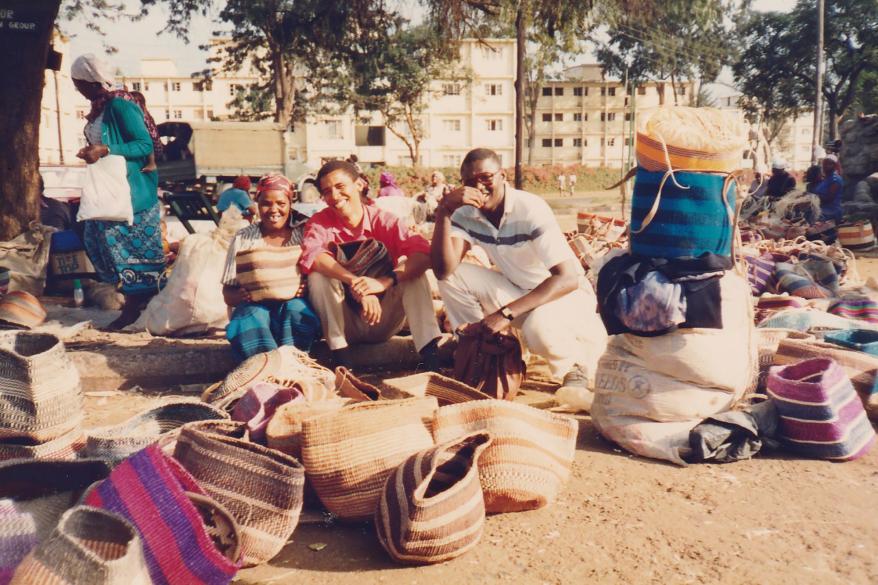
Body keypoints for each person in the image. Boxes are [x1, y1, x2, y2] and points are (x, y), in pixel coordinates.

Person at [431, 148, 608, 403]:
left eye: (486, 178)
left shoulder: (529, 208)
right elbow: (443, 269)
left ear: (503, 176)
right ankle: (476, 351)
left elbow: (566, 278)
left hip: (567, 296)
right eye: (469, 182)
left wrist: (504, 315)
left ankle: (575, 367)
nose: (479, 187)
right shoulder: (466, 213)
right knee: (451, 277)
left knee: (538, 328)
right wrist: (444, 212)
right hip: (519, 291)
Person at [300, 160, 442, 369]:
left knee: (414, 272)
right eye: (327, 192)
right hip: (346, 322)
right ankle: (341, 360)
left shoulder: (385, 220)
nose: (335, 197)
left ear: (358, 185)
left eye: (340, 187)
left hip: (383, 318)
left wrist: (384, 282)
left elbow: (423, 254)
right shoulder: (320, 222)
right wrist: (358, 283)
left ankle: (431, 357)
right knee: (318, 276)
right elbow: (313, 256)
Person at [71, 54, 165, 329]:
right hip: (110, 190)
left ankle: (135, 308)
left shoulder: (120, 106)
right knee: (96, 242)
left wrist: (105, 150)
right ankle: (135, 304)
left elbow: (143, 145)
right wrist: (93, 152)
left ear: (88, 81)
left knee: (126, 250)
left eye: (77, 82)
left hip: (132, 193)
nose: (76, 87)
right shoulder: (101, 108)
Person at [222, 174, 321, 361]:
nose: (273, 210)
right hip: (255, 307)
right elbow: (228, 293)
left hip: (292, 305)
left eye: (281, 204)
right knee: (250, 316)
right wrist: (241, 296)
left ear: (290, 203)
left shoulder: (304, 232)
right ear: (257, 203)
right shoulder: (244, 237)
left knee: (297, 310)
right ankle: (263, 369)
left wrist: (307, 288)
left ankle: (294, 365)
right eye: (266, 203)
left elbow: (319, 275)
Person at [814, 154, 844, 223]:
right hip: (822, 209)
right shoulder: (825, 179)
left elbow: (829, 198)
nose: (825, 166)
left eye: (829, 164)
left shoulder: (835, 179)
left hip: (831, 211)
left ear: (834, 166)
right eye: (824, 164)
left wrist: (813, 198)